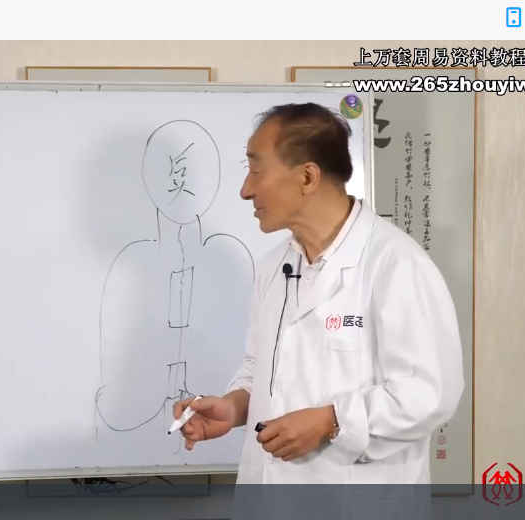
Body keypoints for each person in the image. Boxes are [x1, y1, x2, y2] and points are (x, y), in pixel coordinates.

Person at [172, 103, 464, 484]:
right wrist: (233, 407)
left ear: (307, 177)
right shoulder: (274, 267)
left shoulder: (396, 265)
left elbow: (429, 394)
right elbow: (262, 370)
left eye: (256, 171)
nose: (245, 190)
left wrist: (331, 421)